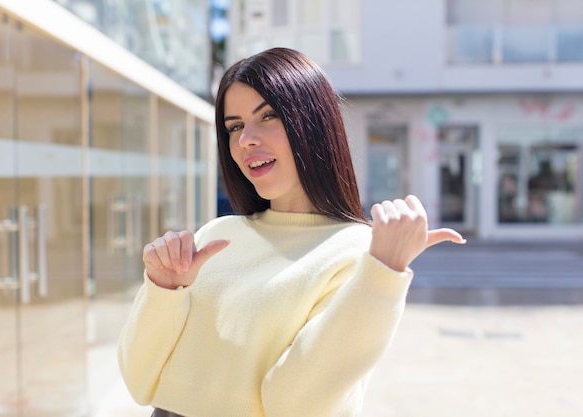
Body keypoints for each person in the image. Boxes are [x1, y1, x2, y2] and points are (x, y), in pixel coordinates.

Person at [118, 47, 465, 417]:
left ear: (313, 124)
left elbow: (297, 406)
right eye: (234, 126)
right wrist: (163, 290)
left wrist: (383, 274)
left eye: (268, 116)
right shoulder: (217, 234)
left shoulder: (357, 251)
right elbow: (140, 381)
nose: (246, 140)